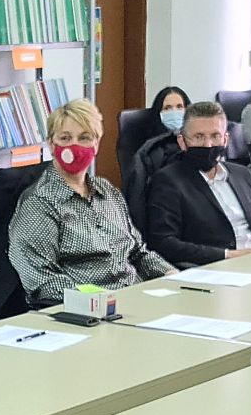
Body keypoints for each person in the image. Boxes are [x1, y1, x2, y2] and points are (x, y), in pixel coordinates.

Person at [9, 98, 175, 306]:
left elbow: (137, 252)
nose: (75, 146)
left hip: (134, 298)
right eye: (65, 138)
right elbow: (42, 280)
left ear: (96, 144)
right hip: (89, 309)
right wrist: (97, 300)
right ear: (51, 144)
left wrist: (171, 274)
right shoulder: (39, 203)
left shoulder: (108, 192)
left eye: (84, 138)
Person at [145, 101, 251, 267]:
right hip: (214, 269)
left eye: (215, 136)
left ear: (226, 139)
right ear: (182, 142)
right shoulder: (168, 181)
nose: (208, 144)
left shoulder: (241, 174)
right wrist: (228, 255)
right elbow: (164, 243)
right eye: (199, 137)